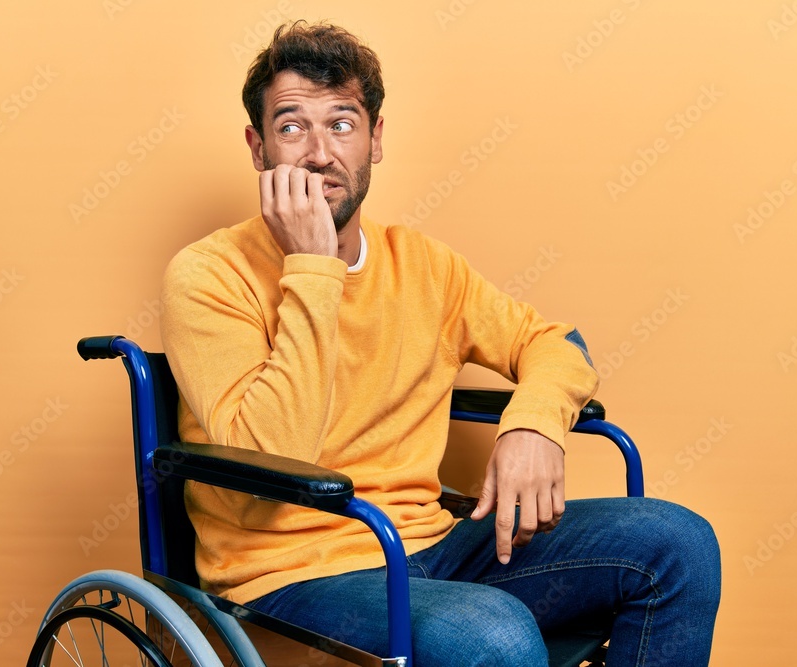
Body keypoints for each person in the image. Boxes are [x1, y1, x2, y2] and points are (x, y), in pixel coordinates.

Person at [160, 21, 720, 667]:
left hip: (433, 547)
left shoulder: (425, 266)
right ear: (259, 149)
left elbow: (554, 343)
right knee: (492, 633)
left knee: (679, 544)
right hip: (292, 575)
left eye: (342, 124)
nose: (318, 153)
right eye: (292, 128)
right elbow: (271, 459)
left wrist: (534, 424)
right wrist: (312, 266)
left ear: (375, 139)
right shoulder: (208, 275)